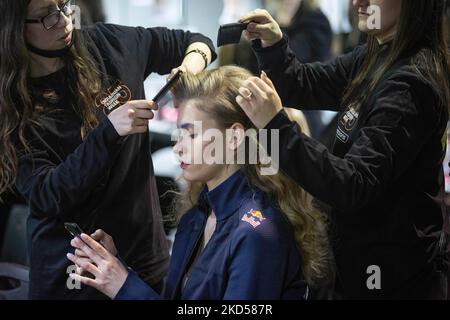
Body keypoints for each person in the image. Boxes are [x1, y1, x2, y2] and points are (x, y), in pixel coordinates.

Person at [0, 0, 216, 300]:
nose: (63, 20)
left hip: (144, 257)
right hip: (73, 274)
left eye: (63, 6)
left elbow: (196, 43)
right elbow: (47, 196)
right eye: (45, 16)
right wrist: (108, 131)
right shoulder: (14, 107)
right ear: (14, 29)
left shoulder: (109, 45)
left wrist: (186, 71)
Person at [238, 0, 450, 299]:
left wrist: (275, 126)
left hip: (394, 279)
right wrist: (273, 46)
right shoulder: (376, 54)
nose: (356, 2)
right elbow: (304, 84)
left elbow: (352, 184)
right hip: (356, 265)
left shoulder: (411, 83)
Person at [67, 66, 332, 300]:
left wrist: (124, 286)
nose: (178, 149)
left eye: (191, 135)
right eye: (178, 135)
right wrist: (118, 270)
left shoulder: (257, 234)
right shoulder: (195, 218)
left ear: (233, 137)